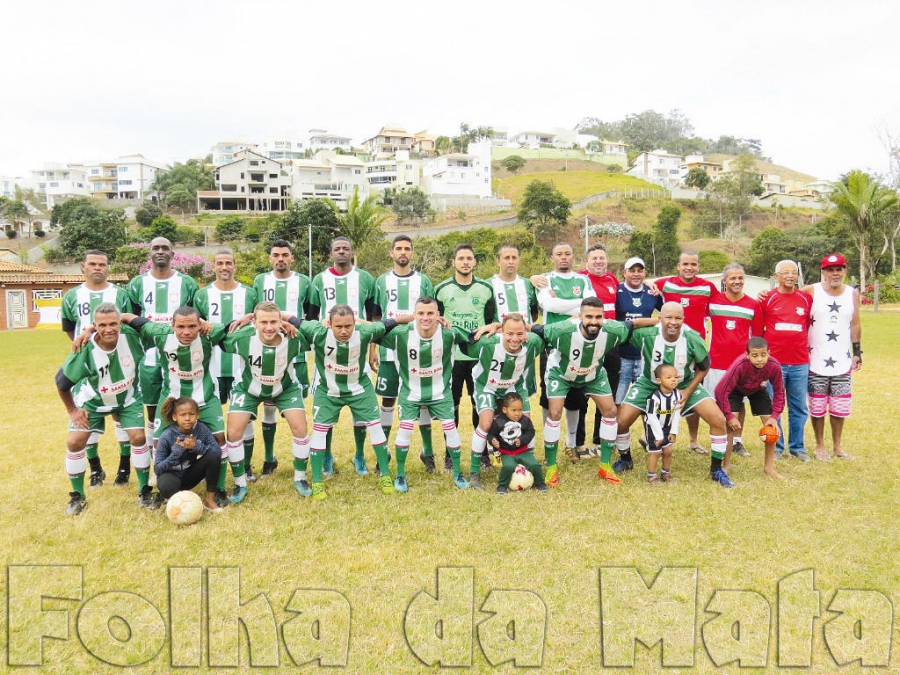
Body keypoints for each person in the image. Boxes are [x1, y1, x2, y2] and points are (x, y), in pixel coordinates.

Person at [117, 306, 232, 507]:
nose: (186, 332)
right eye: (180, 327)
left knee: (220, 439)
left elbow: (234, 326)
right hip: (171, 397)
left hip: (204, 397)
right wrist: (90, 329)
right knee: (159, 440)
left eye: (191, 326)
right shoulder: (159, 333)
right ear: (172, 325)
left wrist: (210, 324)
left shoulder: (209, 333)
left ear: (200, 325)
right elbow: (128, 317)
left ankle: (219, 489)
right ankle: (153, 488)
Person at [532, 297, 650, 487]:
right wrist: (497, 327)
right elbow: (531, 329)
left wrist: (662, 321)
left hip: (593, 374)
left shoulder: (612, 329)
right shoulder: (562, 329)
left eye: (598, 317)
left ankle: (605, 466)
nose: (594, 321)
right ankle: (552, 468)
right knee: (554, 413)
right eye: (588, 316)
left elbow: (634, 323)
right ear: (579, 316)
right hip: (561, 374)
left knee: (611, 411)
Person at [615, 302, 733, 487]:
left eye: (678, 318)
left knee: (718, 419)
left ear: (683, 320)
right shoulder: (647, 334)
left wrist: (688, 390)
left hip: (683, 383)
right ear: (660, 318)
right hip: (649, 383)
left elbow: (704, 366)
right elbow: (621, 329)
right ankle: (625, 459)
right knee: (621, 421)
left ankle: (716, 470)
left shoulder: (692, 338)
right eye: (668, 317)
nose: (673, 322)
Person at [55, 303, 153, 514]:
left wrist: (124, 317)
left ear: (120, 323)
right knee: (74, 442)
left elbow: (149, 326)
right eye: (102, 325)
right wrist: (72, 410)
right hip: (92, 401)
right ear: (94, 326)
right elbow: (61, 383)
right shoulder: (85, 348)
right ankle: (77, 497)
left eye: (113, 324)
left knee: (138, 438)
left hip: (126, 399)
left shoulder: (131, 336)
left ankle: (144, 491)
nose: (108, 329)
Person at [297, 304, 401, 500]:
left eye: (348, 326)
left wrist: (423, 317)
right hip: (328, 390)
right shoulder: (317, 331)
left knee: (375, 427)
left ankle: (386, 476)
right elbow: (289, 319)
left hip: (359, 389)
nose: (344, 331)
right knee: (319, 431)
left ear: (355, 324)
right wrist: (251, 316)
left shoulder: (365, 331)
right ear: (329, 324)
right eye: (338, 327)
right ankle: (317, 481)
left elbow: (392, 322)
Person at [378, 296, 473, 491]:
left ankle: (457, 473)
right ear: (414, 315)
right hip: (410, 392)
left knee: (451, 431)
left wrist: (497, 327)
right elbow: (370, 330)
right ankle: (401, 475)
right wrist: (399, 319)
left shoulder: (450, 334)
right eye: (420, 313)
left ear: (438, 315)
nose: (425, 317)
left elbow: (475, 337)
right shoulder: (401, 334)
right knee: (404, 431)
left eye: (430, 313)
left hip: (440, 393)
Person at [61, 249, 132, 488]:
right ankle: (95, 468)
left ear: (108, 267)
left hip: (119, 358)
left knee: (119, 412)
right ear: (83, 266)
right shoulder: (72, 296)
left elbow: (130, 322)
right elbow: (71, 330)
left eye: (102, 264)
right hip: (90, 363)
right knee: (87, 415)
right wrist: (87, 344)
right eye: (92, 264)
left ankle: (124, 467)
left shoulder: (120, 294)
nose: (97, 268)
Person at [308, 236, 379, 475]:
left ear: (352, 252)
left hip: (357, 352)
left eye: (345, 249)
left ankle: (359, 455)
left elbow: (373, 318)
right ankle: (326, 455)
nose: (341, 252)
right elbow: (311, 318)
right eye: (336, 249)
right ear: (331, 253)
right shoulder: (319, 279)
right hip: (328, 354)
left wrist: (372, 350)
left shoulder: (365, 278)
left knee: (362, 408)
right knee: (326, 407)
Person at [125, 237, 199, 446]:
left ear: (172, 254)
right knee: (150, 406)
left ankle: (184, 448)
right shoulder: (138, 283)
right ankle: (153, 453)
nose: (160, 251)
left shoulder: (187, 283)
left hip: (180, 356)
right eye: (155, 248)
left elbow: (195, 318)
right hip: (149, 356)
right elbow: (131, 318)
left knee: (183, 405)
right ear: (149, 253)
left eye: (165, 248)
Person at [373, 235, 436, 469]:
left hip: (418, 350)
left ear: (412, 253)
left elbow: (432, 314)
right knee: (388, 399)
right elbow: (376, 318)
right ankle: (384, 451)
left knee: (424, 399)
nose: (402, 252)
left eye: (407, 249)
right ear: (391, 253)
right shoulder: (381, 281)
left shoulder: (424, 281)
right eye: (398, 248)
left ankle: (427, 451)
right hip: (389, 350)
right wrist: (373, 349)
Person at [195, 249, 258, 478]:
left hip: (242, 366)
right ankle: (212, 465)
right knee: (211, 420)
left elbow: (262, 317)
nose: (224, 267)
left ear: (235, 266)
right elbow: (194, 325)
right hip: (210, 366)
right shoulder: (202, 295)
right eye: (219, 263)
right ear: (213, 267)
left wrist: (250, 317)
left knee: (245, 417)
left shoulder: (249, 293)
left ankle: (246, 466)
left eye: (228, 263)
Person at [530, 243, 596, 460]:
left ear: (573, 256)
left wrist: (560, 302)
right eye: (559, 254)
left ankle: (571, 443)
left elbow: (591, 306)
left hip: (577, 343)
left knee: (576, 394)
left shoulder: (583, 279)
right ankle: (551, 441)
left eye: (567, 253)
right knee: (549, 394)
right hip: (551, 343)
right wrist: (576, 306)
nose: (564, 257)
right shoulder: (544, 279)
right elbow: (548, 306)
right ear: (552, 257)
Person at [250, 240, 310, 479]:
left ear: (292, 258)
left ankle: (308, 459)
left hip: (294, 353)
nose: (281, 258)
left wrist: (289, 323)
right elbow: (256, 312)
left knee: (296, 406)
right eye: (276, 255)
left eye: (285, 254)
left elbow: (311, 316)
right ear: (270, 258)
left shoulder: (304, 281)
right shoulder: (260, 281)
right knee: (267, 403)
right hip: (266, 350)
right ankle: (268, 457)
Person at [465, 312, 545, 490]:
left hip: (514, 386)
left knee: (525, 421)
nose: (515, 338)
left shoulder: (533, 342)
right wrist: (489, 326)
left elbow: (550, 331)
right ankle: (474, 472)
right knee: (486, 423)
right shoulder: (488, 341)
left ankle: (526, 465)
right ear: (501, 331)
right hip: (487, 386)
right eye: (509, 333)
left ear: (526, 332)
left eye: (520, 333)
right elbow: (464, 336)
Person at [434, 244, 495, 469]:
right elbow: (436, 320)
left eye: (469, 258)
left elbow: (492, 321)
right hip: (452, 357)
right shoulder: (441, 289)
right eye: (461, 258)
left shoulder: (485, 289)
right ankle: (451, 454)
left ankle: (483, 453)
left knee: (480, 404)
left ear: (475, 262)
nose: (465, 262)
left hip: (478, 357)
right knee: (452, 405)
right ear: (454, 262)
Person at [654, 251, 717, 455]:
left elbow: (722, 302)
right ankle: (657, 434)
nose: (689, 267)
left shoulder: (707, 287)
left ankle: (693, 440)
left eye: (693, 264)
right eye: (685, 264)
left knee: (691, 388)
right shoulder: (666, 284)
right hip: (669, 345)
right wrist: (650, 287)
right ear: (678, 266)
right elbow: (649, 285)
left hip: (694, 348)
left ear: (698, 266)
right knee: (663, 389)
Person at [802, 253, 861, 460]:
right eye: (830, 270)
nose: (835, 273)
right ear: (823, 272)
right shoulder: (811, 291)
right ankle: (820, 445)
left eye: (839, 269)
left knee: (839, 405)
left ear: (844, 271)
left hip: (842, 360)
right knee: (817, 406)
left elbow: (855, 323)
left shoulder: (852, 293)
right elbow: (788, 297)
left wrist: (857, 352)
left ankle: (837, 446)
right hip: (815, 359)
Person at [706, 263, 763, 458]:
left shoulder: (753, 305)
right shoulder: (713, 302)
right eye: (732, 278)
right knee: (715, 402)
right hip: (716, 364)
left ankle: (737, 441)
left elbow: (756, 339)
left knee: (740, 403)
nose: (737, 281)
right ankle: (720, 438)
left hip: (741, 365)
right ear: (724, 281)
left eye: (740, 278)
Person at [760, 260, 812, 461]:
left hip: (800, 362)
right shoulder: (767, 299)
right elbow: (758, 331)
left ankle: (797, 447)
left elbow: (806, 326)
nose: (790, 276)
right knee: (775, 406)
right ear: (776, 276)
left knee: (799, 406)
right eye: (786, 272)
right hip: (775, 363)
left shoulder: (806, 299)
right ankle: (778, 448)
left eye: (794, 272)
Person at [714, 337, 785, 479]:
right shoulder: (740, 365)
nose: (760, 359)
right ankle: (726, 466)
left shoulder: (773, 365)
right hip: (735, 390)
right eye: (755, 355)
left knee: (771, 428)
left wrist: (774, 416)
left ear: (768, 353)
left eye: (763, 355)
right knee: (730, 426)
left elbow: (779, 392)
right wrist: (729, 416)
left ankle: (768, 469)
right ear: (747, 355)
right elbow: (720, 391)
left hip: (758, 389)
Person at [154, 397, 224, 512]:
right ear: (174, 417)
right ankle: (174, 500)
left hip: (189, 475)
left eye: (191, 414)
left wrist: (196, 447)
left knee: (213, 456)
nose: (187, 418)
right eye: (182, 415)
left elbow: (216, 451)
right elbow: (157, 469)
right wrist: (175, 453)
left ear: (197, 415)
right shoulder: (166, 436)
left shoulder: (201, 429)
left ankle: (209, 501)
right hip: (171, 477)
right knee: (166, 485)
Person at [614, 256, 663, 405]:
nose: (636, 274)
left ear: (645, 273)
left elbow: (666, 314)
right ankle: (619, 428)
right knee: (618, 399)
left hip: (644, 354)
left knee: (646, 399)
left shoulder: (652, 292)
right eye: (632, 270)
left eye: (640, 271)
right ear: (624, 273)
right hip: (622, 354)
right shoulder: (617, 291)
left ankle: (648, 428)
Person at [488, 392, 547, 494]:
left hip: (522, 451)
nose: (517, 413)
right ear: (504, 410)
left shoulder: (525, 421)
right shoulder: (498, 422)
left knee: (535, 465)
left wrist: (523, 439)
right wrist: (493, 440)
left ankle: (540, 483)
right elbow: (491, 434)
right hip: (506, 452)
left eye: (520, 410)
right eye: (513, 410)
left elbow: (530, 432)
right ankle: (502, 485)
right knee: (508, 467)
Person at [643, 364, 682, 486]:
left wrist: (673, 431)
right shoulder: (654, 397)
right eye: (669, 377)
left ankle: (665, 473)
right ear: (659, 380)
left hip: (667, 428)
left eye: (675, 377)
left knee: (668, 451)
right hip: (654, 429)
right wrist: (659, 435)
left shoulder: (677, 395)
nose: (673, 380)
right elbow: (651, 416)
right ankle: (652, 476)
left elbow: (677, 414)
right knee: (656, 452)